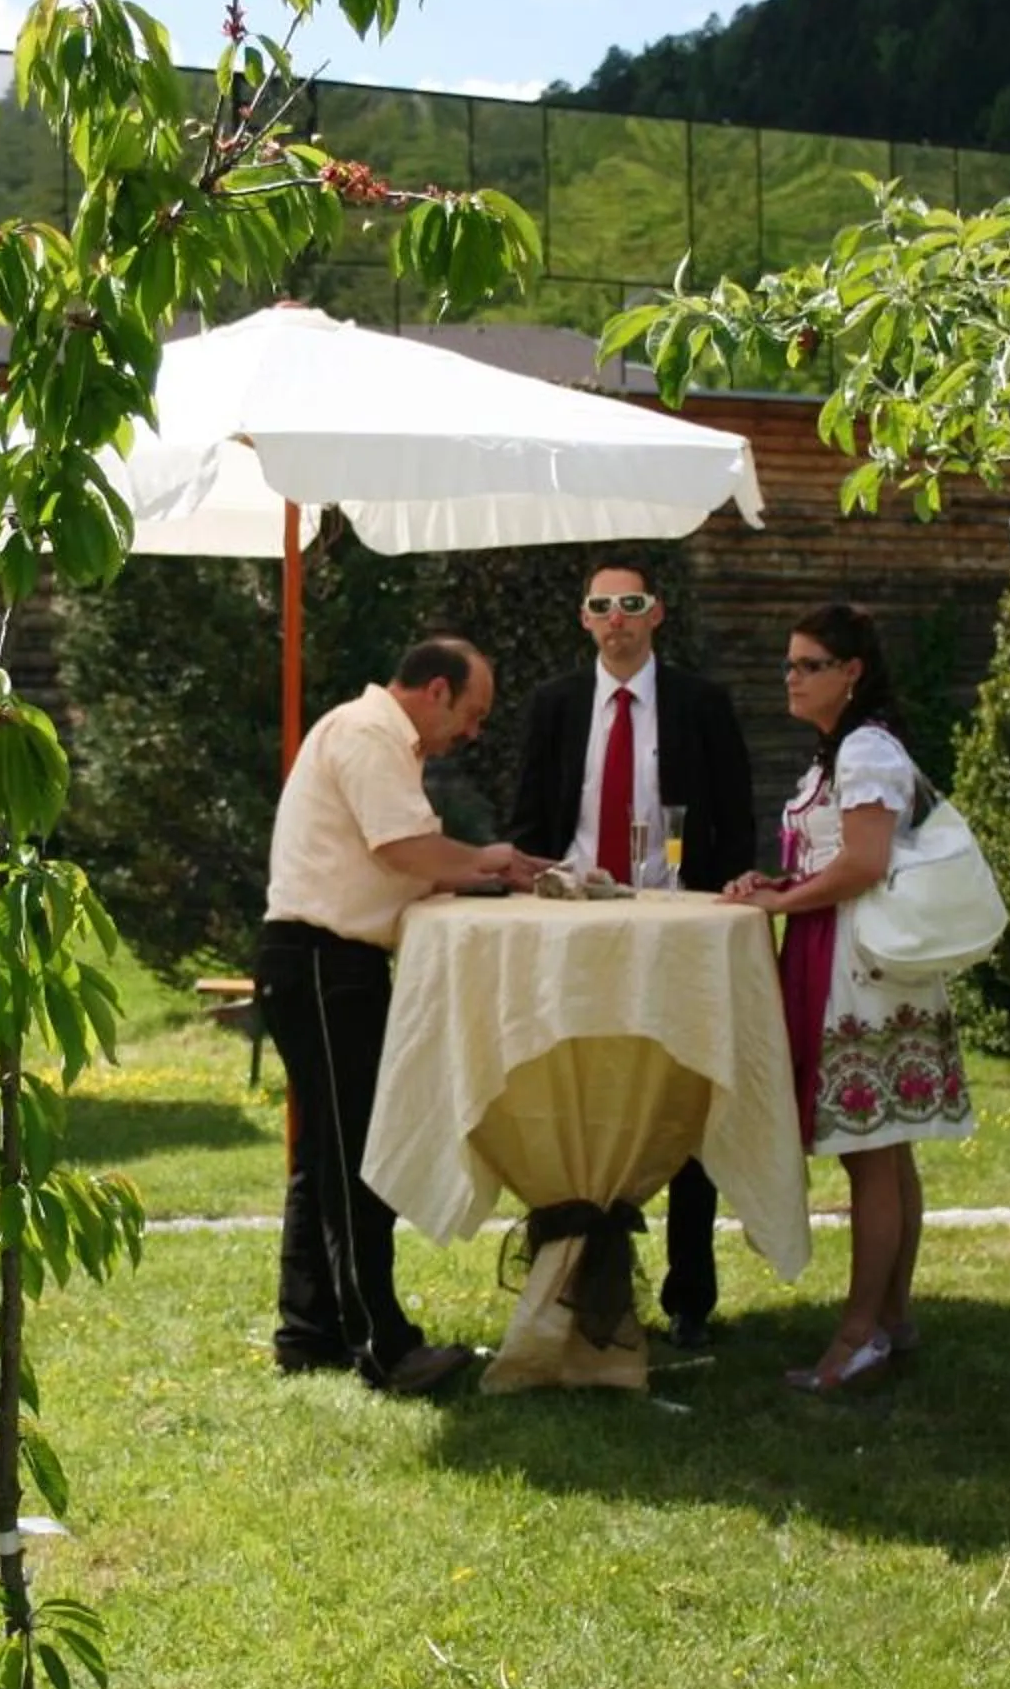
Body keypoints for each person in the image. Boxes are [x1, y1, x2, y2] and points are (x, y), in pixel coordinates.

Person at [258, 637, 551, 1395]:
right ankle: (384, 1346)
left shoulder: (374, 735)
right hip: (323, 962)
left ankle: (308, 1330)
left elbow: (403, 863)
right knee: (356, 1155)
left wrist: (489, 869)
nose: (473, 732)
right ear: (437, 690)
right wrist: (489, 860)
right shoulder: (370, 733)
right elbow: (404, 850)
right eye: (473, 714)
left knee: (325, 1153)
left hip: (320, 962)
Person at [723, 602, 974, 1393]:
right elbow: (838, 857)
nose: (791, 679)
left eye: (810, 666)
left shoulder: (866, 750)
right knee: (887, 1151)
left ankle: (860, 1334)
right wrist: (781, 883)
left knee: (872, 1152)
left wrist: (781, 902)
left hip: (861, 970)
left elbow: (864, 864)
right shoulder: (843, 752)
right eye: (789, 665)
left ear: (852, 672)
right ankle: (892, 1319)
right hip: (851, 957)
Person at [504, 561, 754, 1349]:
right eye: (602, 605)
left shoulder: (701, 705)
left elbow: (737, 821)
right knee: (571, 1093)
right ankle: (566, 1283)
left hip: (675, 931)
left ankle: (690, 1297)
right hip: (575, 931)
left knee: (683, 1094)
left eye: (631, 603)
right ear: (584, 618)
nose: (617, 617)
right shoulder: (553, 705)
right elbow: (526, 823)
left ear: (656, 613)